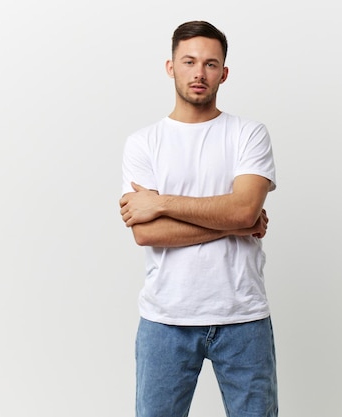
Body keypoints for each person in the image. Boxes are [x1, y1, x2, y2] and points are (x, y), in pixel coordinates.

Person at [118, 20, 278, 417]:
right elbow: (147, 234)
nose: (199, 73)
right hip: (165, 319)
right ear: (170, 67)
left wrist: (162, 202)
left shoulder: (248, 134)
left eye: (210, 64)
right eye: (189, 61)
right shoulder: (143, 143)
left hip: (242, 316)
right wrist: (238, 224)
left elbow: (244, 208)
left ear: (223, 73)